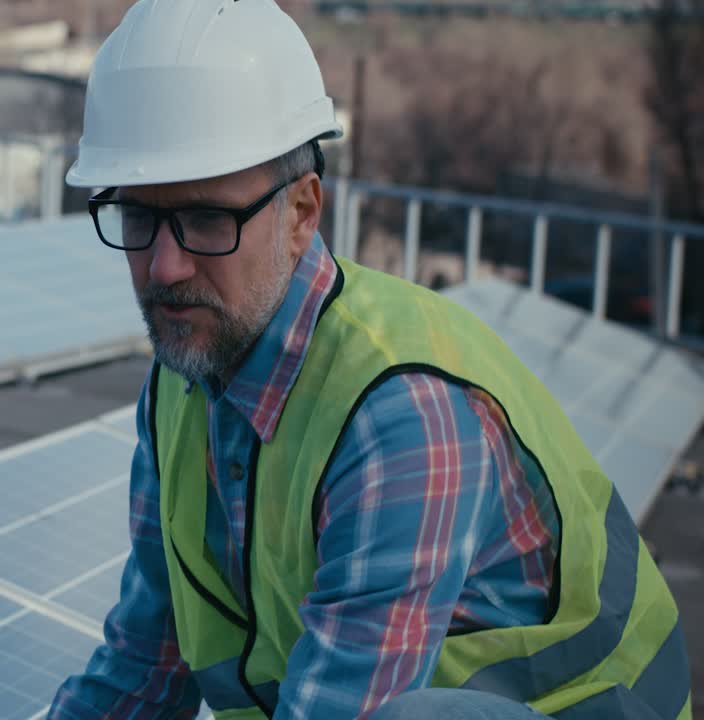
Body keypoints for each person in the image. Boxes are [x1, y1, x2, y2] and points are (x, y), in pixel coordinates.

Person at [47, 1, 690, 718]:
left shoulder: (398, 411)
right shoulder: (178, 386)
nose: (163, 266)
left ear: (301, 212)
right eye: (138, 217)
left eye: (205, 219)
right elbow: (143, 667)